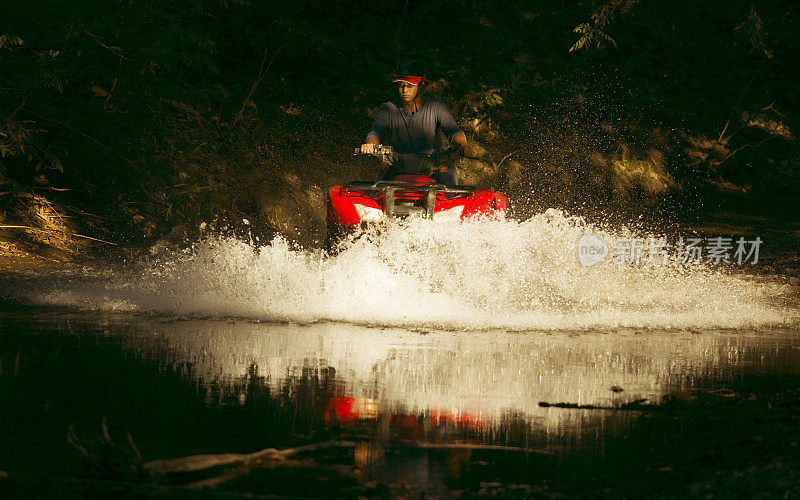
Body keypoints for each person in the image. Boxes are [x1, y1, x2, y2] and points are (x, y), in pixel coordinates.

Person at [360, 61, 476, 186]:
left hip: (433, 162)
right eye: (401, 85)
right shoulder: (388, 109)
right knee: (382, 170)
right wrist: (370, 145)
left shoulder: (437, 107)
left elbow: (453, 131)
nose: (404, 90)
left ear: (421, 85)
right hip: (396, 161)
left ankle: (451, 199)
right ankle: (377, 197)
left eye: (410, 86)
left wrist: (464, 146)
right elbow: (376, 133)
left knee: (446, 167)